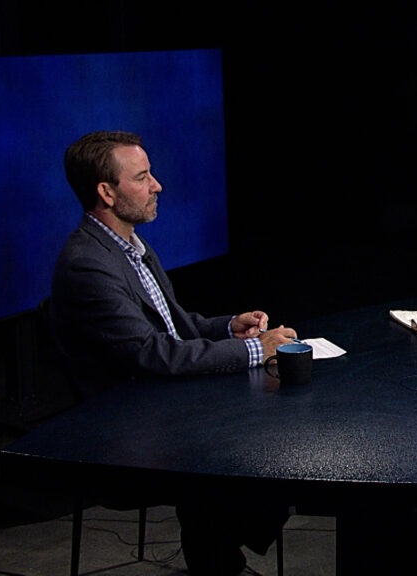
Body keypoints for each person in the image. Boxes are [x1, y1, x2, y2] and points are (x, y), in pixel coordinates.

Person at [50, 130, 296, 576]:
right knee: (234, 443)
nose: (157, 185)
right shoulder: (89, 262)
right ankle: (219, 560)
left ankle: (221, 553)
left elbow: (176, 326)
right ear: (106, 192)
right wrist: (255, 351)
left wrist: (229, 327)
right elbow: (152, 354)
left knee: (269, 421)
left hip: (161, 398)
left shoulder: (132, 247)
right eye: (142, 177)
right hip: (123, 418)